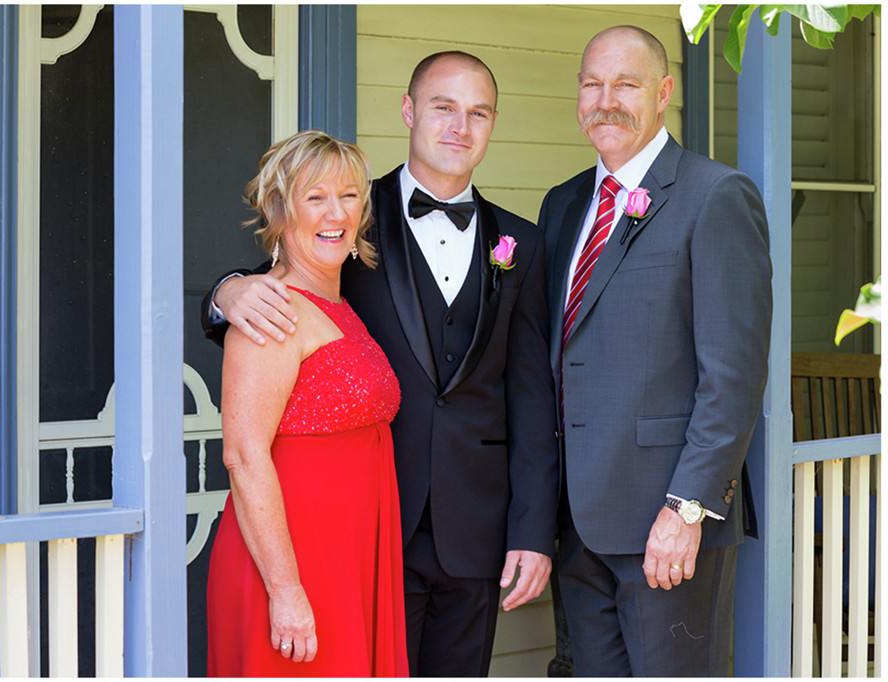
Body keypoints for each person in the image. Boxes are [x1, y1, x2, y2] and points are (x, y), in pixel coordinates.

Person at [205, 52, 558, 677]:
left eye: (477, 113)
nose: (460, 126)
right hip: (371, 532)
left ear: (492, 124)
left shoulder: (521, 243)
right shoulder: (352, 215)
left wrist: (531, 530)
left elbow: (531, 396)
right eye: (443, 107)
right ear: (408, 111)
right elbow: (276, 288)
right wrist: (225, 292)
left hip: (475, 530)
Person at [537, 26, 772, 676]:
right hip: (576, 526)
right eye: (592, 84)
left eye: (626, 84)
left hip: (666, 525)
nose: (605, 101)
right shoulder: (563, 206)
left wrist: (686, 509)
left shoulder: (715, 196)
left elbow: (732, 377)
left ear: (664, 92)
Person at [205, 130, 409, 677]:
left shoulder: (339, 301)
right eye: (315, 197)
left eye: (348, 195)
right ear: (280, 210)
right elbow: (243, 456)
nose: (335, 212)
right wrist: (286, 589)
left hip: (349, 554)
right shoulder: (269, 309)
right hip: (291, 562)